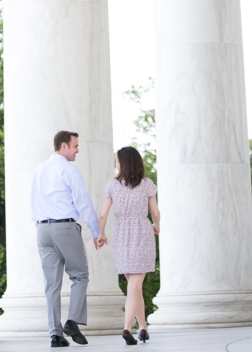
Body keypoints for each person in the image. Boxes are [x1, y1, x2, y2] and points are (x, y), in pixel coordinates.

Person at [31, 130, 105, 347]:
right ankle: (72, 322)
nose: (77, 150)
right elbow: (83, 201)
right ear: (64, 146)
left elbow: (32, 201)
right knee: (80, 275)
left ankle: (55, 335)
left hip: (42, 230)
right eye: (75, 146)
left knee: (51, 285)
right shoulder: (68, 170)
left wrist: (40, 226)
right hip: (64, 226)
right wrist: (96, 231)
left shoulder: (39, 170)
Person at [97, 146, 160, 345]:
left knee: (135, 286)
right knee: (135, 285)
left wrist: (101, 233)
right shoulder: (147, 184)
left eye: (117, 160)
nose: (116, 164)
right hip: (142, 232)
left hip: (121, 234)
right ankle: (126, 328)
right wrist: (156, 226)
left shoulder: (112, 186)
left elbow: (102, 214)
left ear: (123, 163)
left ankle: (143, 328)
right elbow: (155, 213)